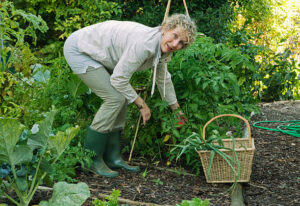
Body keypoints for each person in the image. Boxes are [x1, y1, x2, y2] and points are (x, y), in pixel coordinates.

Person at [63, 14, 197, 177]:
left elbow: (163, 78)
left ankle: (113, 157)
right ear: (165, 28)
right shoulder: (144, 44)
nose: (176, 44)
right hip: (80, 50)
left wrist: (176, 110)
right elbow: (119, 79)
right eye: (175, 36)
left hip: (101, 55)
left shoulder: (163, 48)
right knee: (115, 98)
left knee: (122, 97)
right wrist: (142, 104)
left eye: (181, 42)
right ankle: (90, 160)